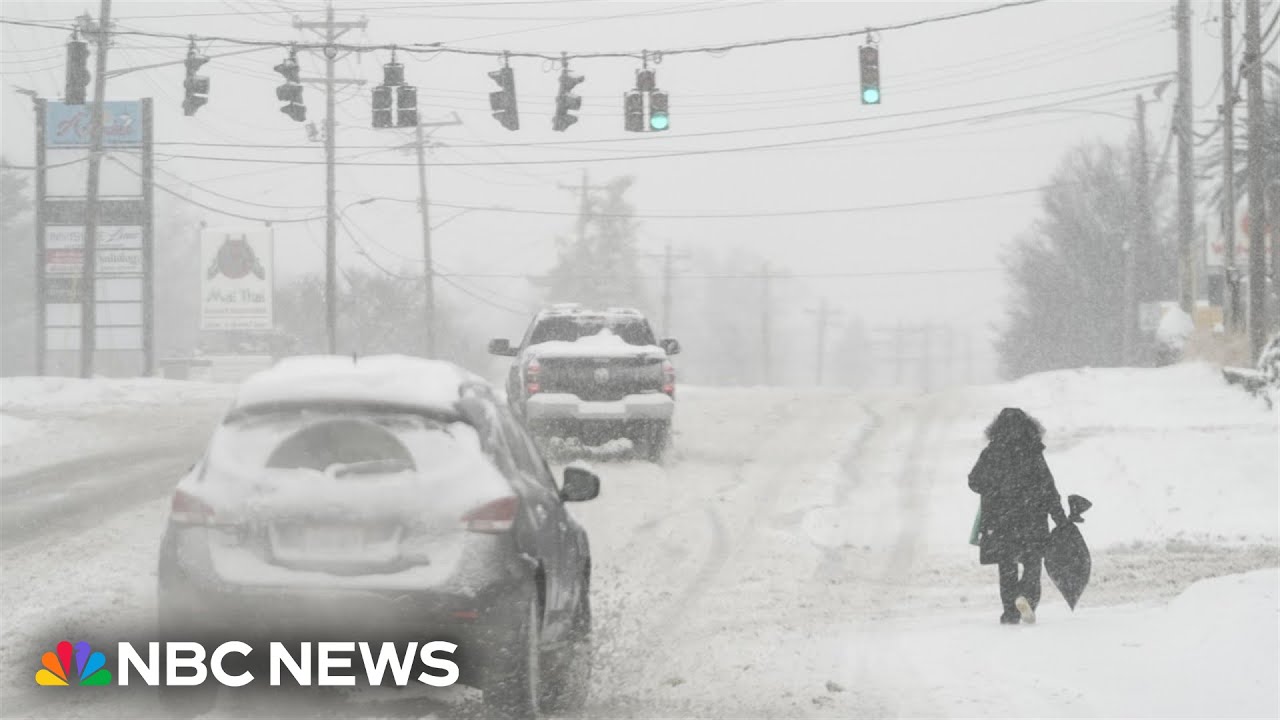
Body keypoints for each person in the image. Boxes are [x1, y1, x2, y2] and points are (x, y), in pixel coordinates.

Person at [968, 408, 1067, 625]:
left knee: (1007, 567)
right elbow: (1048, 487)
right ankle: (1026, 597)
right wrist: (1059, 516)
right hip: (1032, 518)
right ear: (1028, 426)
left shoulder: (991, 452)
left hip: (1001, 519)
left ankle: (1009, 612)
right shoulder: (1033, 451)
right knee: (1032, 563)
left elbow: (974, 481)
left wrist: (994, 488)